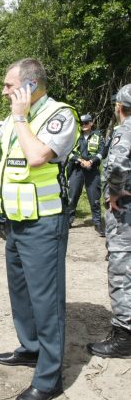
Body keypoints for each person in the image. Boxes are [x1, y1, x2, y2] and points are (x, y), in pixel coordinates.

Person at [0, 58, 79, 400]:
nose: (4, 91)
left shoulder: (59, 115)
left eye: (10, 86)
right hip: (15, 221)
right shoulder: (10, 120)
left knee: (46, 300)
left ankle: (49, 377)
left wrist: (21, 117)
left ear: (29, 86)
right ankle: (31, 348)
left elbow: (38, 155)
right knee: (21, 294)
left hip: (44, 223)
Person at [87, 84, 131, 358]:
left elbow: (117, 166)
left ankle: (125, 335)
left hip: (125, 211)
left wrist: (113, 193)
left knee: (121, 269)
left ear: (119, 107)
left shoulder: (124, 131)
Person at [67, 114, 105, 236]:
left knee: (94, 198)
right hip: (77, 169)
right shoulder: (75, 136)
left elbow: (101, 152)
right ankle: (68, 221)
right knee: (72, 197)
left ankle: (98, 224)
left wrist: (91, 161)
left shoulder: (98, 135)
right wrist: (80, 161)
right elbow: (69, 152)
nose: (84, 125)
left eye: (86, 123)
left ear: (91, 123)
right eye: (82, 123)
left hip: (92, 171)